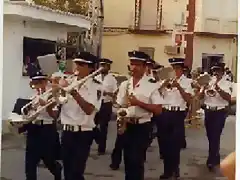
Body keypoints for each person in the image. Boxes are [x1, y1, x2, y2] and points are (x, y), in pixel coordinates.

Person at [53, 52, 102, 180]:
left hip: (83, 134)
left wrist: (74, 93)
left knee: (76, 171)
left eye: (81, 64)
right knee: (68, 170)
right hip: (67, 132)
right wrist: (54, 90)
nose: (77, 67)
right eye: (76, 63)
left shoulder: (96, 86)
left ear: (91, 68)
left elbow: (89, 110)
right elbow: (59, 102)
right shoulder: (68, 81)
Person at [116, 50, 163, 180]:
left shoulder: (152, 85)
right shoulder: (125, 85)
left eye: (137, 64)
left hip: (142, 127)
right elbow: (120, 106)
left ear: (144, 67)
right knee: (128, 161)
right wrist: (120, 117)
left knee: (137, 161)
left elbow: (158, 110)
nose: (133, 67)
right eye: (132, 64)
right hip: (127, 125)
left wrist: (139, 103)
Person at [22, 71, 62, 180]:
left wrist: (46, 106)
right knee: (30, 163)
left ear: (45, 82)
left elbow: (54, 116)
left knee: (48, 160)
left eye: (40, 82)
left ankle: (57, 170)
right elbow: (26, 114)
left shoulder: (52, 95)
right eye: (35, 83)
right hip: (34, 129)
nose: (37, 85)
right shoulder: (31, 96)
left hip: (47, 130)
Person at [159, 58, 193, 179]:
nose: (175, 71)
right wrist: (163, 83)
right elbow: (156, 94)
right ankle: (167, 171)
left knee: (175, 145)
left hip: (178, 114)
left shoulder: (187, 82)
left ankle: (175, 170)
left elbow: (189, 99)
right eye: (173, 68)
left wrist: (178, 86)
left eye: (177, 68)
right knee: (165, 144)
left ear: (182, 69)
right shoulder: (164, 80)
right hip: (165, 112)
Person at [199, 62, 232, 172]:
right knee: (210, 136)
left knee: (215, 135)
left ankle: (211, 160)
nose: (215, 73)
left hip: (220, 111)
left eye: (218, 71)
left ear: (222, 71)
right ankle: (215, 156)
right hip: (208, 111)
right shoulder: (209, 81)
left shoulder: (227, 83)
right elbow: (199, 97)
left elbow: (228, 97)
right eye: (214, 71)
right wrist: (203, 88)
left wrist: (217, 88)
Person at [94, 58, 118, 155]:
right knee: (92, 125)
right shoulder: (96, 78)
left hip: (106, 104)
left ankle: (101, 148)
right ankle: (99, 139)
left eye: (104, 65)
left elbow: (115, 94)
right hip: (96, 103)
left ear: (108, 67)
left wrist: (106, 92)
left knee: (103, 126)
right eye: (101, 65)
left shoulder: (112, 79)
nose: (102, 67)